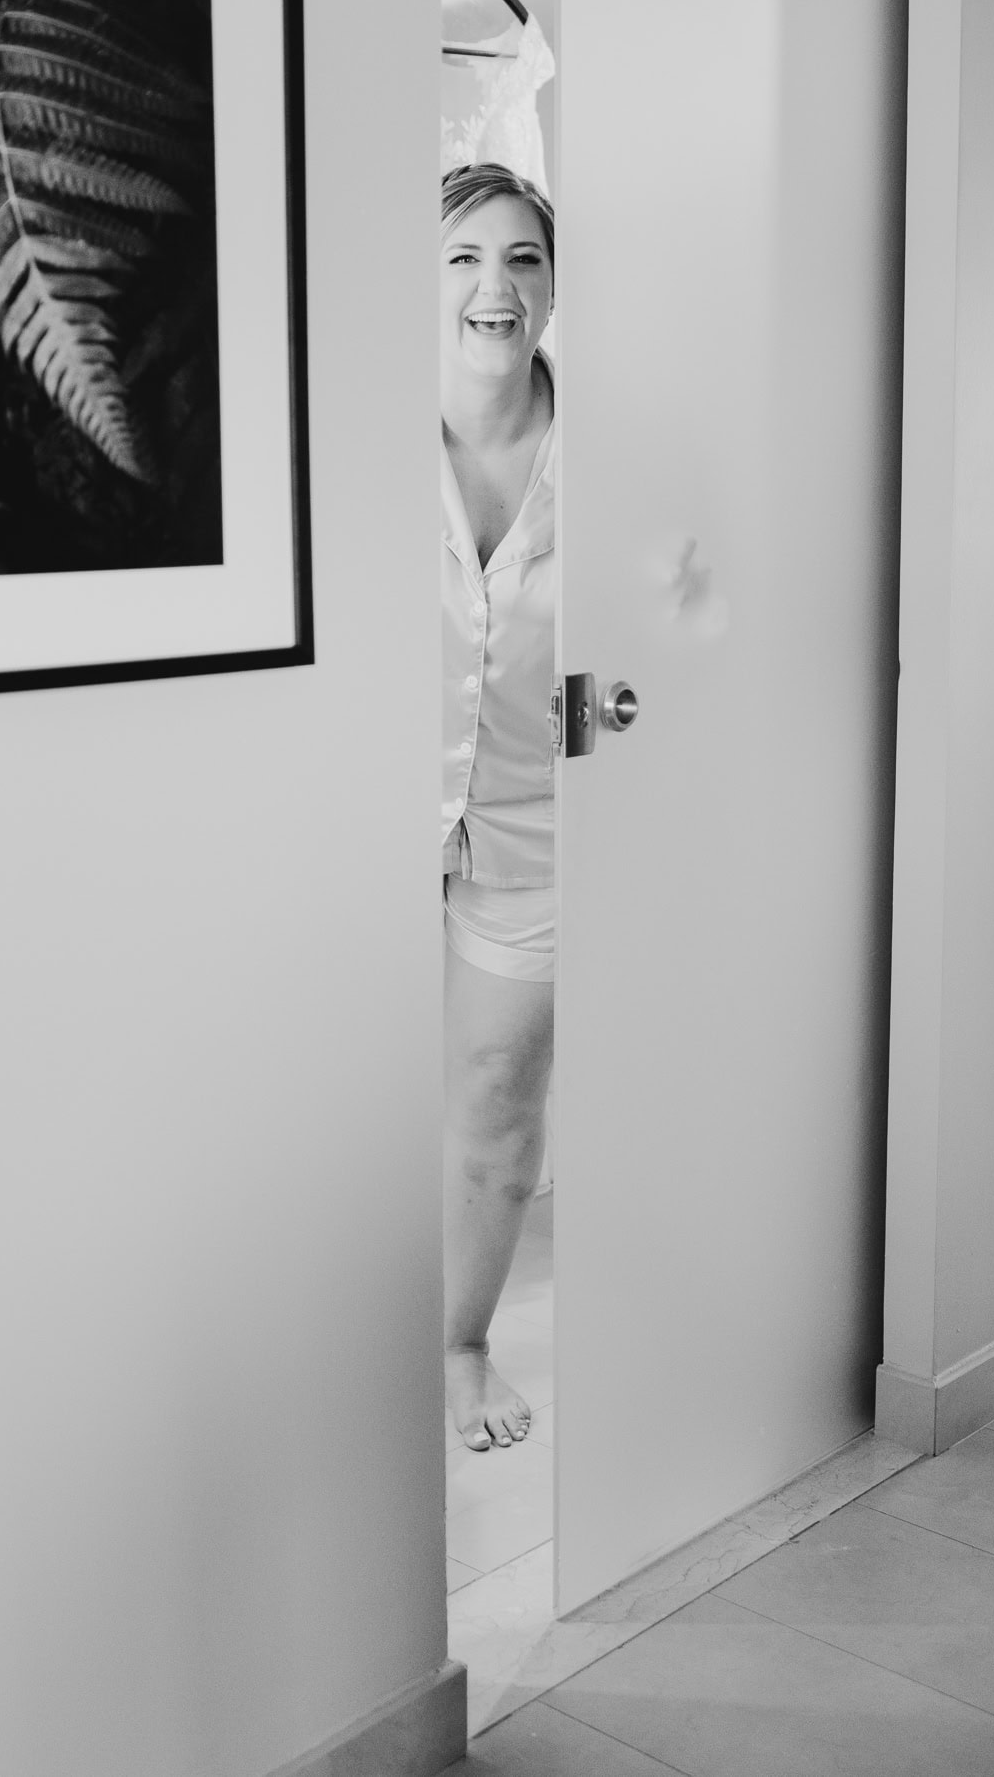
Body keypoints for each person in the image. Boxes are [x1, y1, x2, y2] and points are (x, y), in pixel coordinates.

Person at [439, 162, 557, 1451]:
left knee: (494, 1096)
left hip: (536, 825)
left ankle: (459, 1347)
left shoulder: (610, 454)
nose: (495, 287)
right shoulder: (355, 432)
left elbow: (693, 626)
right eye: (466, 256)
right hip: (357, 817)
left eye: (523, 259)